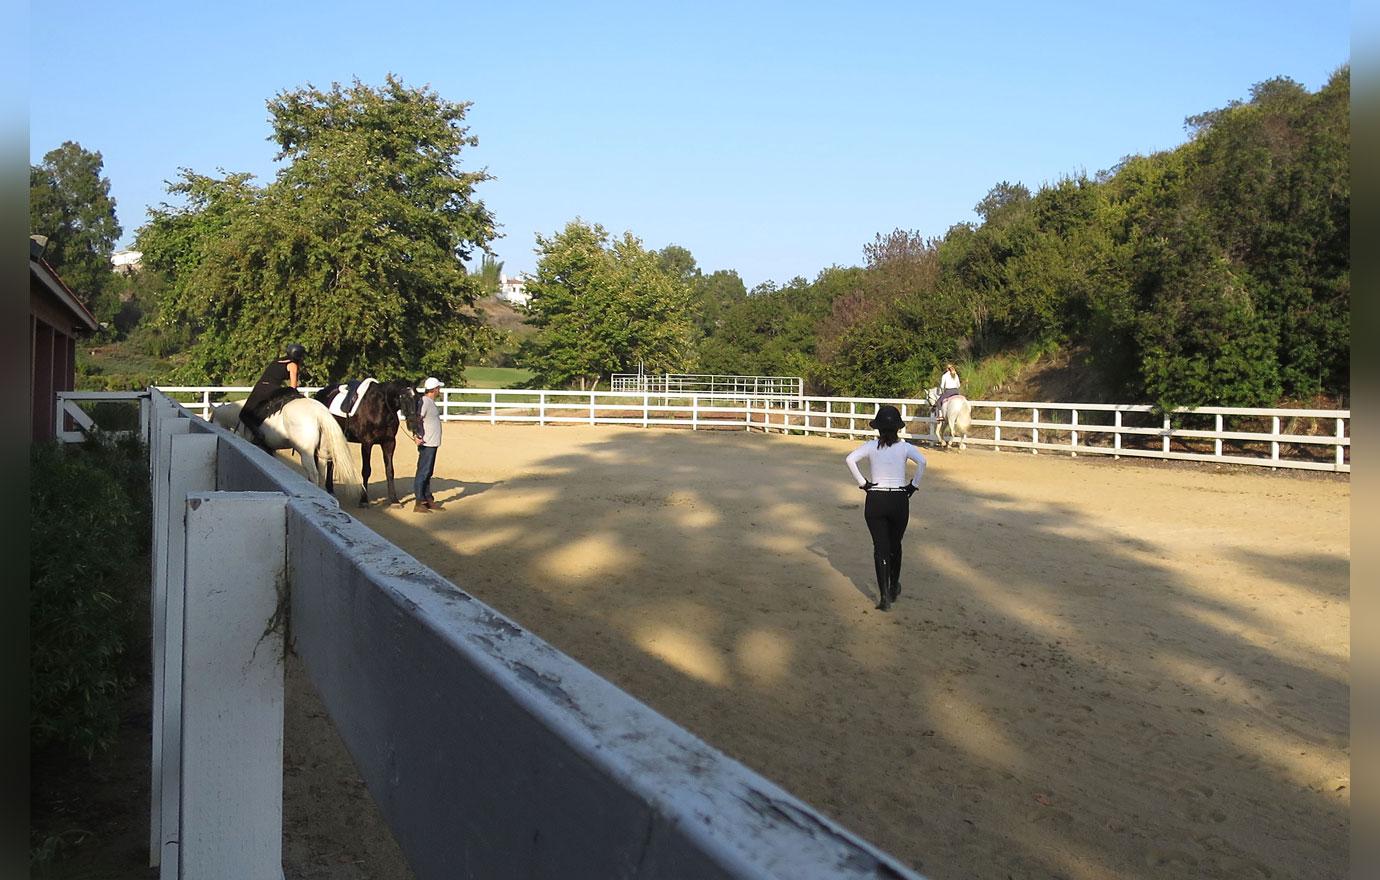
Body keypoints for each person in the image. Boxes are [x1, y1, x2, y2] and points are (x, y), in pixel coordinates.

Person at [845, 404, 927, 611]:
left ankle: (883, 598)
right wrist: (913, 486)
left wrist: (863, 483)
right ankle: (893, 587)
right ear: (898, 428)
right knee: (895, 544)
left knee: (880, 548)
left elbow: (850, 459)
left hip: (876, 500)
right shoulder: (906, 447)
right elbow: (923, 462)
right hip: (899, 499)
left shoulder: (871, 446)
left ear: (878, 428)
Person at [239, 343, 305, 447]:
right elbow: (293, 386)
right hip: (271, 389)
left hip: (260, 387)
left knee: (244, 414)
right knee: (290, 394)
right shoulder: (293, 365)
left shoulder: (278, 361)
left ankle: (256, 432)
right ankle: (259, 435)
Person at [411, 376, 444, 512]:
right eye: (438, 388)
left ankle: (427, 498)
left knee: (428, 472)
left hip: (432, 442)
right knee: (423, 472)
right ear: (434, 389)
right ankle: (419, 501)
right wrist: (417, 435)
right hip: (427, 442)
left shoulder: (429, 402)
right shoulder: (425, 402)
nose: (439, 390)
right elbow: (417, 419)